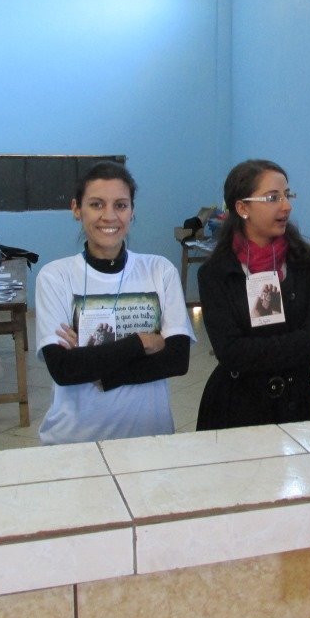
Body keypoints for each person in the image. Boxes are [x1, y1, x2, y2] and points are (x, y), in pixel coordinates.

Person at [36, 161, 193, 443]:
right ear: (76, 209)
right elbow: (64, 369)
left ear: (132, 211)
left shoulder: (160, 270)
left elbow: (177, 360)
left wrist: (100, 368)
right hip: (76, 440)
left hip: (151, 436)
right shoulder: (55, 277)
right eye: (96, 204)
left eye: (120, 205)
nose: (109, 216)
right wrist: (142, 343)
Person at [196, 160, 310, 429]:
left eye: (287, 195)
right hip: (236, 407)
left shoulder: (307, 262)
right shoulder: (216, 272)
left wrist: (259, 348)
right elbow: (231, 353)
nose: (286, 206)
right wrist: (306, 338)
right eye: (273, 198)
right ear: (242, 208)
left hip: (296, 404)